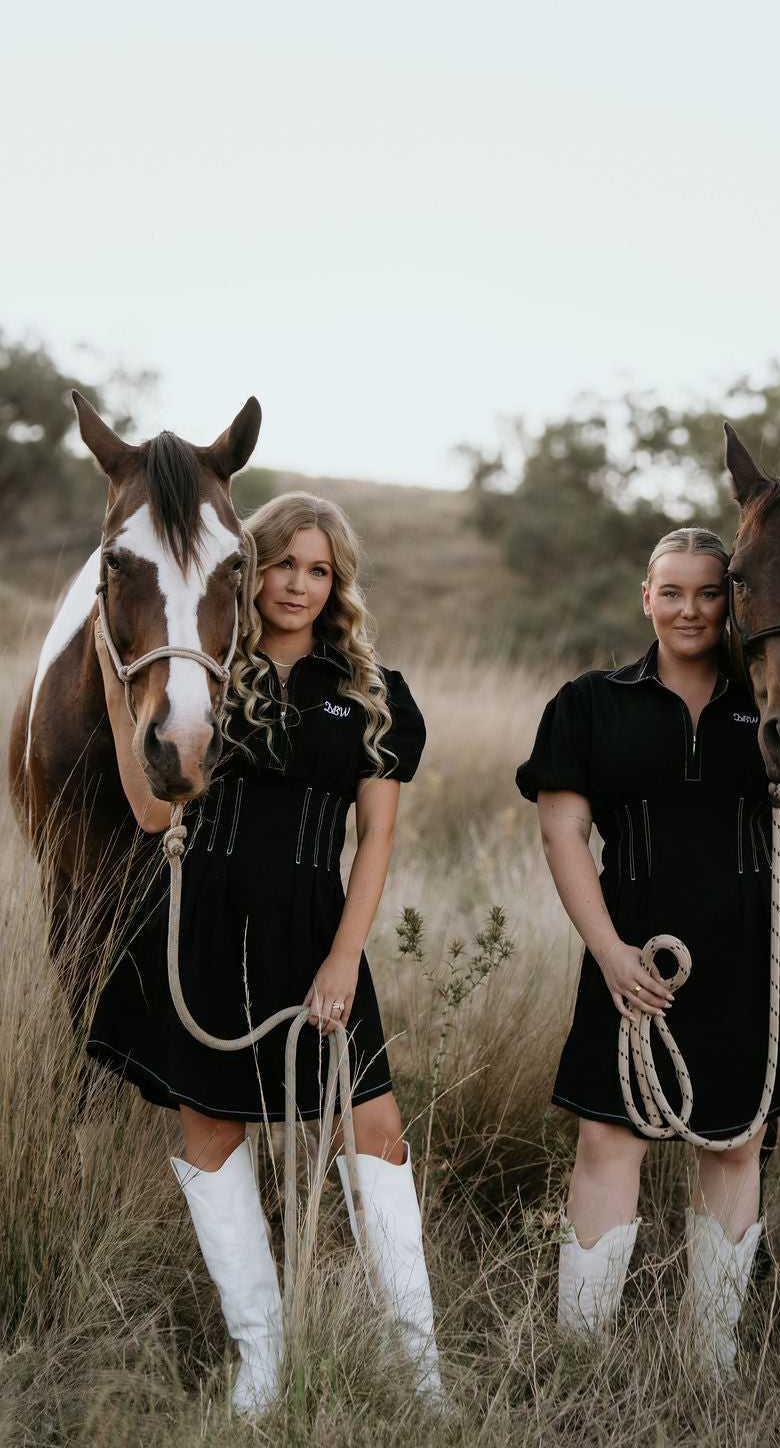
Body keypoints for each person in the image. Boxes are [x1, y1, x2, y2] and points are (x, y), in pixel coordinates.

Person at [87, 491, 440, 1415]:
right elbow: (156, 814)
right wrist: (126, 695)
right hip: (199, 923)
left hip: (315, 933)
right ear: (252, 572)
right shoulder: (211, 672)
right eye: (282, 563)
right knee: (210, 1133)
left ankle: (420, 1372)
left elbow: (377, 842)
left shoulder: (372, 695)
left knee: (376, 1134)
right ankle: (263, 1361)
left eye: (318, 569)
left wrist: (342, 960)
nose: (298, 584)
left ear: (338, 583)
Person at [515, 527, 780, 1379]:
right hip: (634, 952)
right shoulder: (589, 702)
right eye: (670, 592)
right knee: (608, 1141)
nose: (689, 609)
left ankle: (709, 1361)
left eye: (709, 593)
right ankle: (583, 1360)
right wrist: (608, 951)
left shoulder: (766, 706)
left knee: (736, 1144)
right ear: (645, 597)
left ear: (734, 605)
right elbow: (562, 829)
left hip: (756, 948)